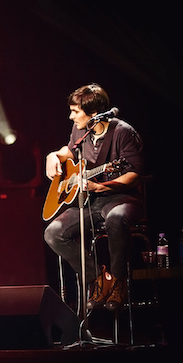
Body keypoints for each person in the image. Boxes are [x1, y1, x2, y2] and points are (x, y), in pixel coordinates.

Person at [44, 84, 144, 311]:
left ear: (94, 114)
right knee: (53, 233)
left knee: (116, 218)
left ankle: (119, 281)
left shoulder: (123, 133)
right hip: (90, 202)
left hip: (121, 198)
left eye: (75, 111)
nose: (71, 116)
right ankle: (99, 278)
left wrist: (101, 187)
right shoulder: (81, 131)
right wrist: (53, 156)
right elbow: (69, 151)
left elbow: (134, 175)